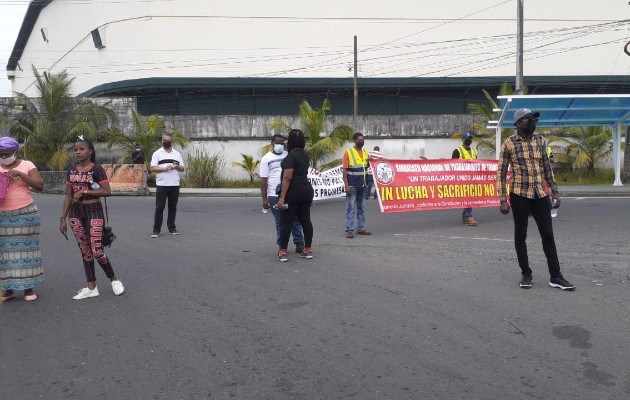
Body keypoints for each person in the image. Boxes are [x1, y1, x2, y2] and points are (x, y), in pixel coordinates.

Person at [497, 108, 575, 291]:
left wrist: (554, 191)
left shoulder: (541, 140)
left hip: (540, 194)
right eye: (527, 119)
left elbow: (547, 168)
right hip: (519, 194)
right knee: (520, 235)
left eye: (533, 119)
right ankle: (526, 274)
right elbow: (501, 173)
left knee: (548, 235)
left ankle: (555, 276)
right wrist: (502, 199)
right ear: (517, 124)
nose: (531, 121)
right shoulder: (509, 144)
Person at [60, 136, 125, 300]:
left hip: (93, 210)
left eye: (81, 149)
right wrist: (63, 218)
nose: (78, 152)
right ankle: (91, 287)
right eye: (75, 149)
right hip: (76, 213)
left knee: (96, 250)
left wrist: (85, 192)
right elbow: (68, 196)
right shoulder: (71, 171)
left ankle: (114, 279)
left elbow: (106, 191)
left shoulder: (97, 169)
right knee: (85, 251)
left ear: (90, 151)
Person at [0, 137, 44, 303]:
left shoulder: (27, 165)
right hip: (2, 216)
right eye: (0, 154)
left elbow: (40, 185)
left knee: (27, 251)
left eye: (7, 154)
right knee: (3, 254)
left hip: (25, 214)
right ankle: (8, 289)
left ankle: (28, 287)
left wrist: (21, 175)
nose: (4, 157)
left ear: (15, 152)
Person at [260, 134, 305, 254]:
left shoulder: (289, 155)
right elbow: (263, 180)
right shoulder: (266, 158)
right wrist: (265, 199)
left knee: (295, 219)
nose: (280, 145)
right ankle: (282, 245)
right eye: (277, 143)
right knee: (280, 221)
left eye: (282, 143)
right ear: (272, 143)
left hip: (290, 193)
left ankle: (299, 243)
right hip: (274, 195)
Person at [276, 129, 314, 262]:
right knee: (306, 220)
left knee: (286, 222)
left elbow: (287, 178)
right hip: (306, 190)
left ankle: (283, 251)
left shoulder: (291, 157)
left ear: (289, 142)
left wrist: (281, 198)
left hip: (293, 191)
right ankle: (307, 250)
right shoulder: (305, 155)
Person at [150, 133, 185, 237]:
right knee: (159, 207)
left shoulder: (177, 154)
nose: (166, 142)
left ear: (172, 142)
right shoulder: (157, 153)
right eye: (164, 140)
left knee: (172, 207)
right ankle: (156, 230)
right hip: (162, 185)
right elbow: (152, 168)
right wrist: (164, 168)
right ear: (162, 141)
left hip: (174, 184)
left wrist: (176, 167)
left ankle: (172, 228)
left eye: (168, 140)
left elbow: (182, 168)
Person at [343, 132, 372, 238]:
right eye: (359, 140)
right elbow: (345, 170)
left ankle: (361, 228)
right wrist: (346, 185)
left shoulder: (365, 152)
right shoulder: (348, 152)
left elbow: (366, 167)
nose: (361, 141)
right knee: (350, 208)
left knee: (361, 208)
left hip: (363, 185)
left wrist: (370, 162)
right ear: (354, 141)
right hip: (352, 185)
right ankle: (349, 229)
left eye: (362, 140)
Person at [452, 132, 478, 226]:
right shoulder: (457, 151)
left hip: (472, 178)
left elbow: (477, 163)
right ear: (463, 139)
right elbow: (453, 165)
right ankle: (468, 217)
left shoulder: (474, 151)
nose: (469, 140)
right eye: (467, 138)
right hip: (462, 178)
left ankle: (465, 216)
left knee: (469, 197)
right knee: (468, 197)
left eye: (470, 138)